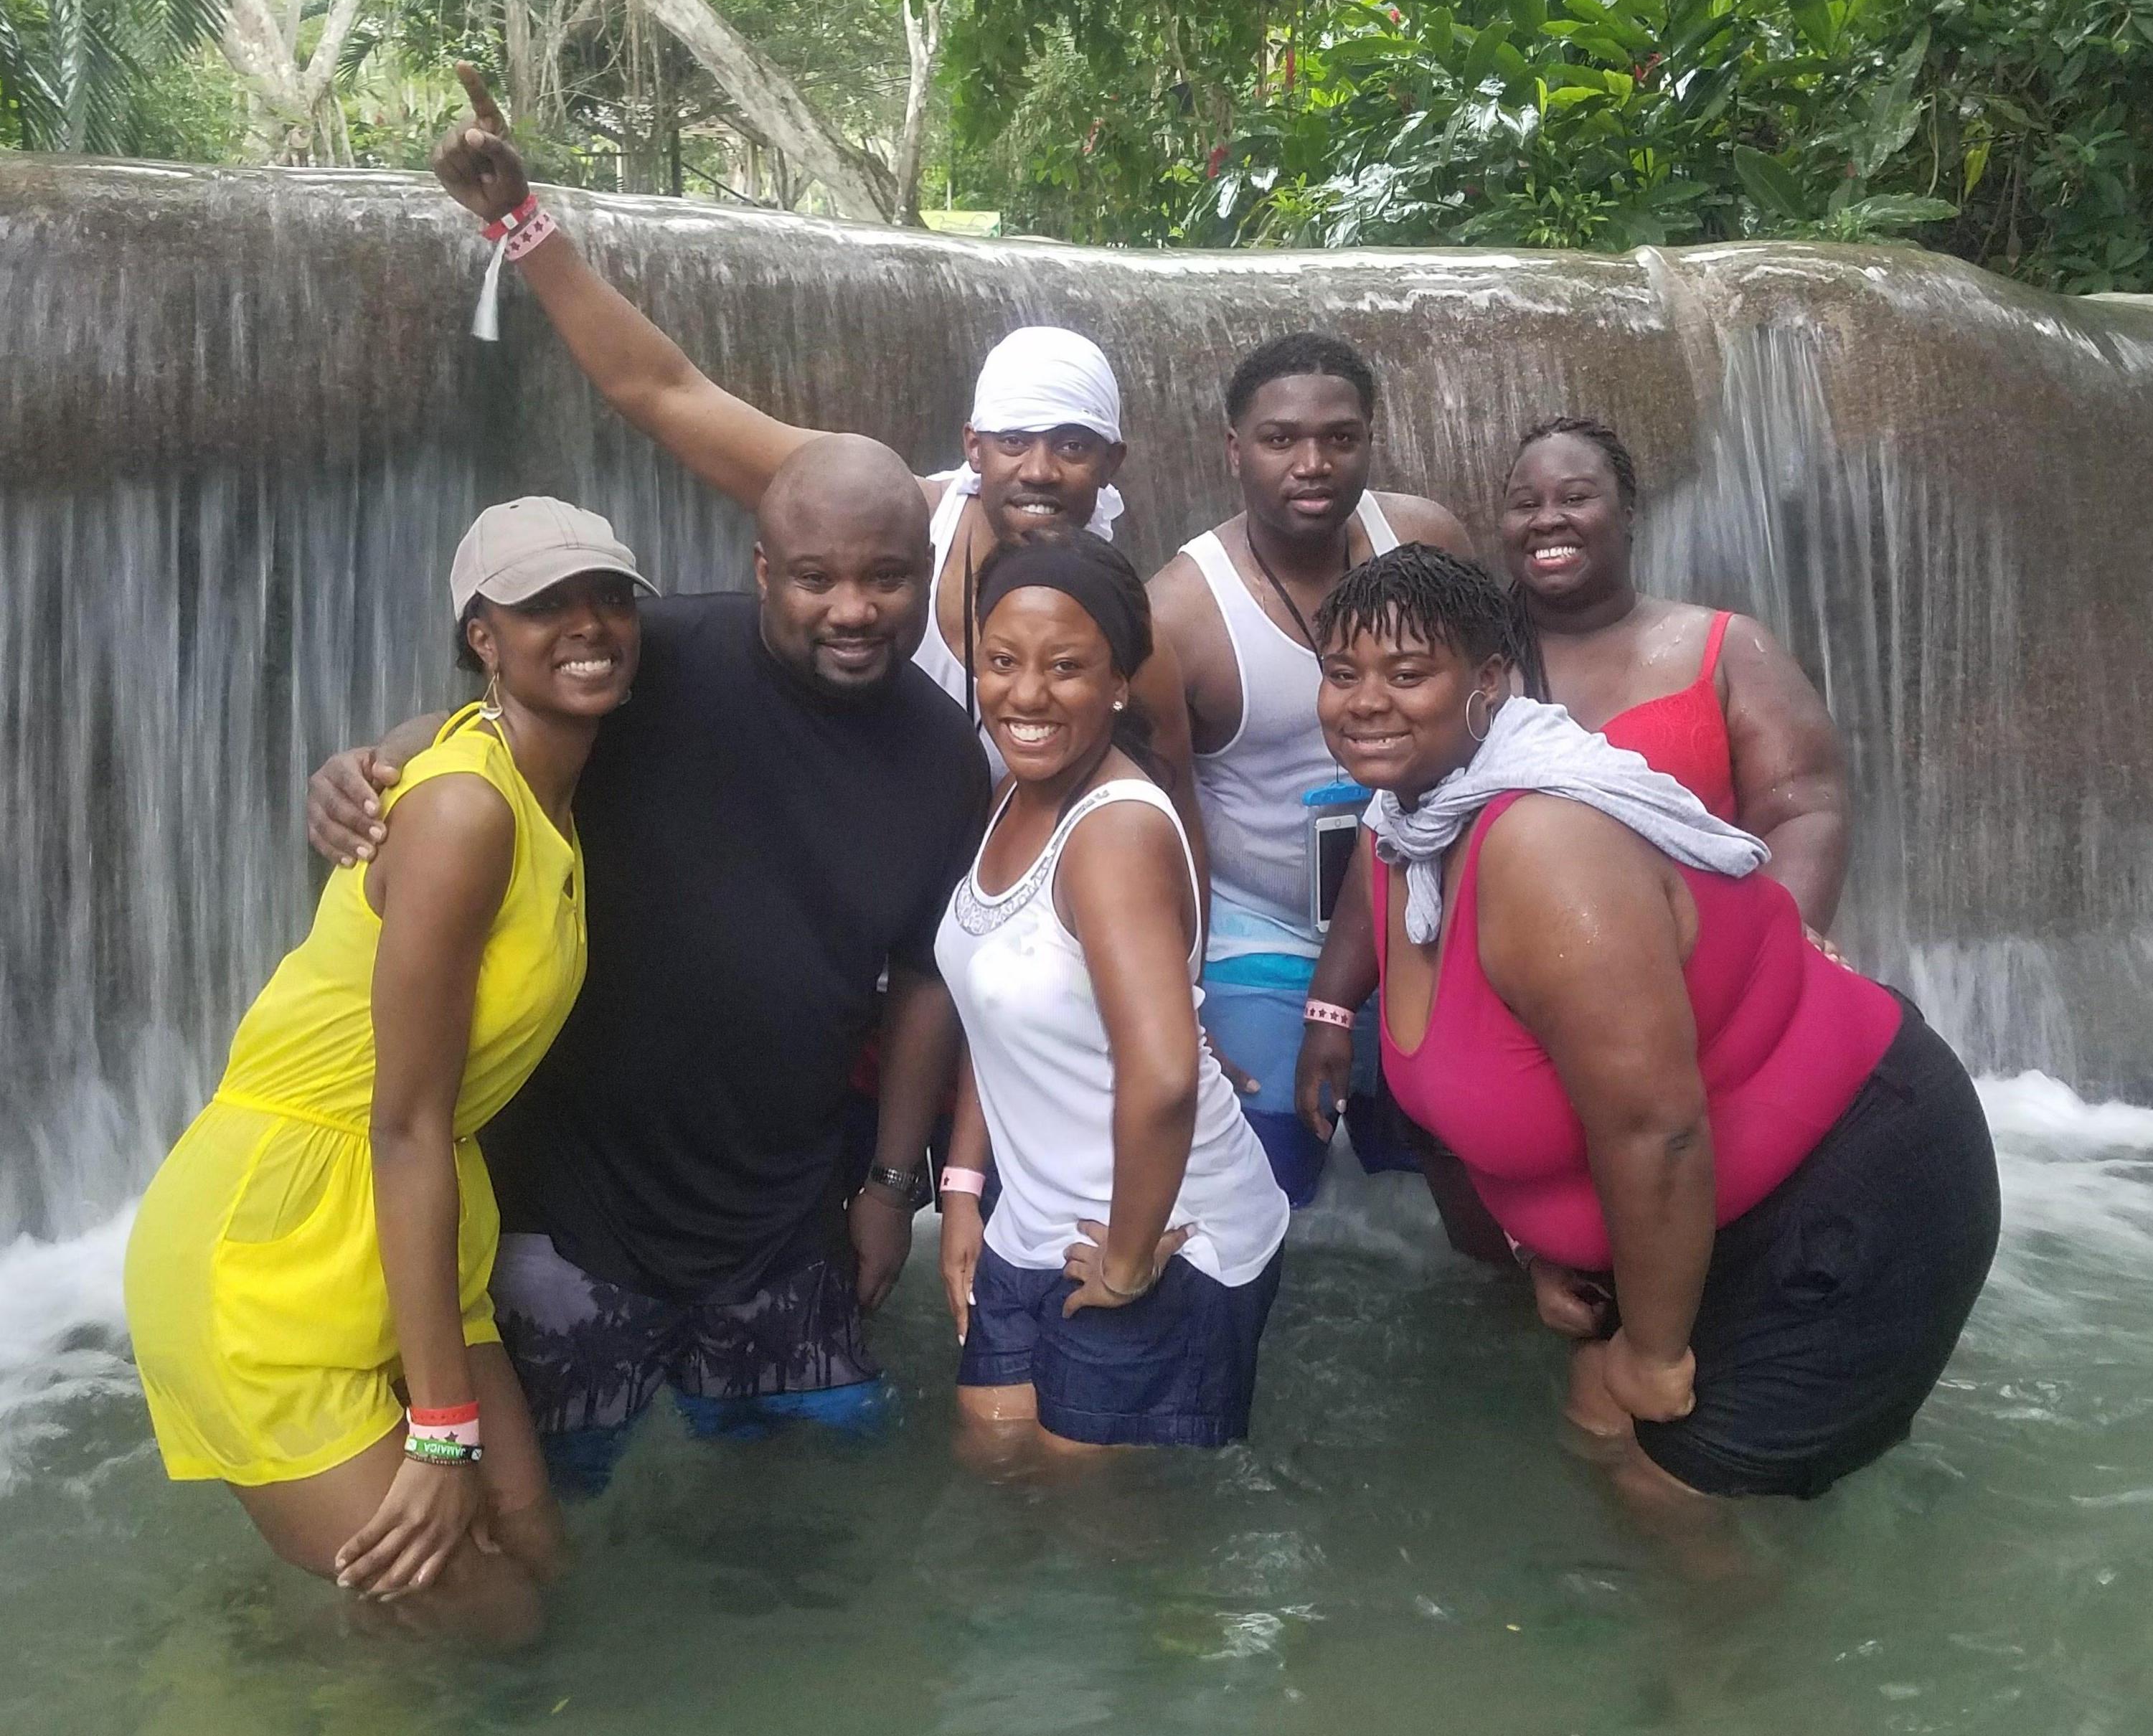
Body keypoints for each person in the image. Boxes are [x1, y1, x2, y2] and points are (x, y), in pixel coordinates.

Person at [306, 438, 991, 1494]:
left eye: (885, 577)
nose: (852, 609)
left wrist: (891, 1187)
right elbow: (482, 730)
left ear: (930, 573)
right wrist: (365, 768)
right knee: (544, 1506)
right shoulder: (648, 656)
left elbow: (926, 978)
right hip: (566, 1207)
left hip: (778, 1209)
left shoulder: (945, 753)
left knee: (814, 1507)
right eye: (815, 578)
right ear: (765, 570)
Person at [1310, 544, 1999, 1503]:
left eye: (1408, 673)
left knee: (1659, 1489)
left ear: (1490, 683)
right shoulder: (1410, 829)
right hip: (1692, 1216)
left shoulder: (1545, 847)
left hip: (1851, 1184)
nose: (1365, 700)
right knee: (1595, 1433)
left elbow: (1656, 1127)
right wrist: (1544, 1252)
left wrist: (1657, 1344)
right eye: (1342, 675)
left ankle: (1740, 1657)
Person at [125, 499, 651, 1642]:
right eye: (544, 605)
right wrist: (443, 1429)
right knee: (487, 1620)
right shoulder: (465, 812)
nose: (589, 624)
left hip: (412, 1230)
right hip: (273, 1244)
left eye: (608, 596)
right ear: (483, 634)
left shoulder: (522, 776)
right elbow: (402, 1122)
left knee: (533, 1553)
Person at [425, 64, 1197, 819]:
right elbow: (664, 393)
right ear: (972, 446)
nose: (1039, 470)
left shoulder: (1123, 629)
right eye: (1015, 439)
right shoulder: (873, 511)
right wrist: (518, 220)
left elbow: (1173, 792)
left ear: (1111, 462)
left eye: (1071, 446)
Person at [936, 534, 1289, 1455]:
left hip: (1161, 1230)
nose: (1026, 694)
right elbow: (991, 1006)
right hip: (1037, 1220)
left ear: (1121, 682)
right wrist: (966, 1188)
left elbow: (1168, 1075)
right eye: (1001, 662)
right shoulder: (1015, 794)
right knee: (993, 1453)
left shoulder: (1115, 831)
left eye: (1066, 667)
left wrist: (1131, 1265)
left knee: (1099, 1547)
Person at [1147, 331, 1471, 1205]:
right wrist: (1178, 984)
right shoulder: (1179, 612)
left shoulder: (1423, 542)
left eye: (1339, 438)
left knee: (1430, 1178)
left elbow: (1496, 716)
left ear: (1370, 440)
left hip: (1422, 907)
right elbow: (1161, 814)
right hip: (1261, 932)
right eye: (1280, 439)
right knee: (1269, 1183)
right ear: (1234, 450)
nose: (1312, 463)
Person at [1500, 415, 1849, 930]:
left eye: (1574, 498)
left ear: (1628, 514)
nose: (1547, 519)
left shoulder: (1728, 649)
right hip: (1513, 968)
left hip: (1709, 970)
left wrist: (1769, 959)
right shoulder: (1471, 664)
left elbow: (1802, 812)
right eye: (1525, 504)